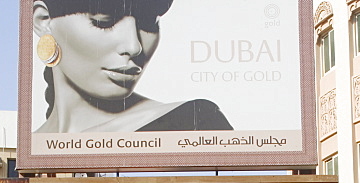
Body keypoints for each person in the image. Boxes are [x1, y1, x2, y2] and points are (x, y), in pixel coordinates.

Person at [32, 0, 232, 133]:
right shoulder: (32, 145)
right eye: (104, 22)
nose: (134, 46)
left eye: (148, 23)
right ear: (43, 21)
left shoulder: (194, 121)